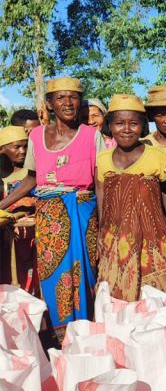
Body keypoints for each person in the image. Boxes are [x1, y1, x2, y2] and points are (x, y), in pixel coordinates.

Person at [0, 77, 104, 342]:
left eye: (73, 97)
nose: (67, 103)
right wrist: (2, 204)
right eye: (60, 98)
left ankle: (86, 340)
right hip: (49, 220)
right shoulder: (35, 136)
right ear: (50, 103)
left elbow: (102, 184)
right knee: (52, 276)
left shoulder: (92, 136)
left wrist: (103, 226)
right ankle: (60, 341)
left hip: (83, 216)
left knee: (85, 277)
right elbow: (32, 179)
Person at [95, 95, 166, 301]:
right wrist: (103, 232)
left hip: (153, 236)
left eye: (133, 123)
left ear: (142, 126)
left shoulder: (157, 156)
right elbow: (101, 195)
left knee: (155, 295)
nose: (126, 129)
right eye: (119, 123)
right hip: (116, 236)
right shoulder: (103, 159)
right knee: (117, 293)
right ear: (110, 126)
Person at [0, 126, 37, 294]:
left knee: (29, 278)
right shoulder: (2, 177)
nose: (22, 151)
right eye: (16, 147)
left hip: (28, 238)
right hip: (5, 240)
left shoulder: (31, 174)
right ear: (2, 149)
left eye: (25, 146)